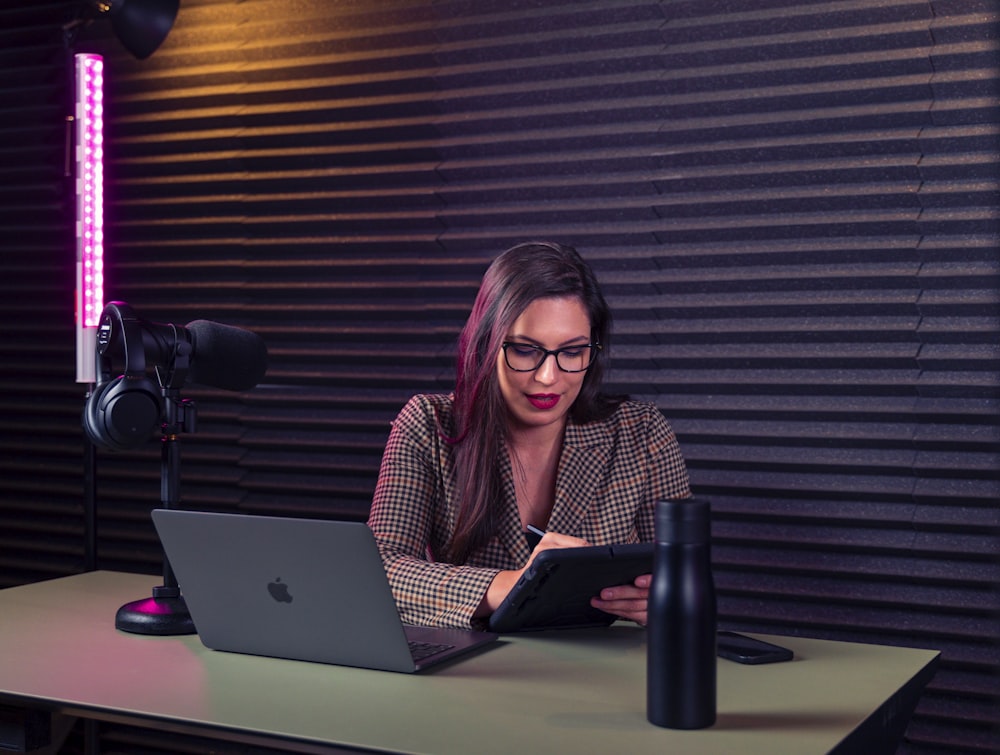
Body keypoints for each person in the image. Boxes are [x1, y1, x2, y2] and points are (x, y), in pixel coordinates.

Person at [367, 241, 691, 629]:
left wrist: (667, 599)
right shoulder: (427, 424)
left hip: (603, 673)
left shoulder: (641, 432)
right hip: (471, 672)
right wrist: (510, 585)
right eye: (525, 351)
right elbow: (377, 573)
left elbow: (686, 581)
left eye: (572, 353)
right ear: (486, 343)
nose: (548, 378)